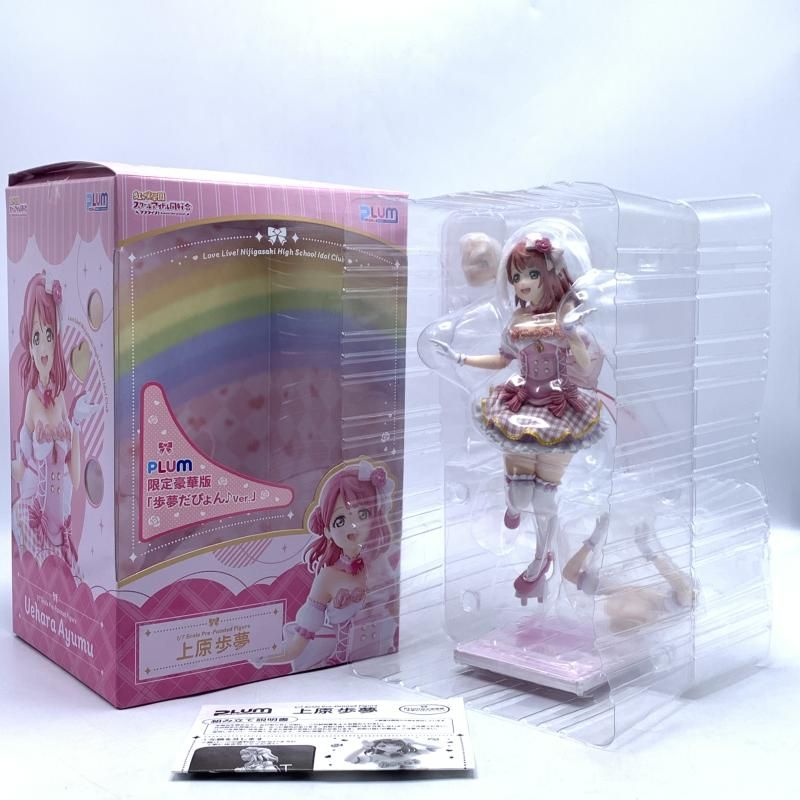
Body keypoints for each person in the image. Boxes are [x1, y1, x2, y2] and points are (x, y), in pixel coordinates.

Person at [433, 232, 603, 604]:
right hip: (521, 404)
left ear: (551, 274)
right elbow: (503, 358)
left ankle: (541, 559)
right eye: (516, 277)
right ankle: (512, 507)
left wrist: (573, 336)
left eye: (532, 274)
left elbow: (586, 363)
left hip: (559, 410)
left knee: (544, 501)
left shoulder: (566, 320)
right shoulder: (517, 320)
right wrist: (461, 358)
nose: (523, 283)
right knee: (520, 494)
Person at [265, 459, 393, 670]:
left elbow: (396, 610)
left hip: (386, 660)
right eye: (340, 520)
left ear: (376, 517)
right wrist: (265, 656)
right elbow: (297, 646)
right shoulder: (328, 577)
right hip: (342, 671)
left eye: (362, 514)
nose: (352, 526)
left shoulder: (379, 564)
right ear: (328, 531)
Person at [11, 273, 98, 572]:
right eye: (37, 338)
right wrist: (15, 465)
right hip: (36, 520)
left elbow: (75, 478)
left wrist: (77, 424)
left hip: (61, 524)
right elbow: (23, 467)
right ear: (29, 344)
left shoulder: (60, 400)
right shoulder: (31, 401)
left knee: (68, 584)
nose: (43, 347)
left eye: (49, 334)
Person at [562, 514, 696, 632]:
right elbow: (684, 591)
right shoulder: (667, 606)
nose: (614, 601)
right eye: (622, 606)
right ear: (644, 617)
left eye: (612, 608)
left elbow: (569, 573)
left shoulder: (608, 589)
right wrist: (649, 553)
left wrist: (591, 543)